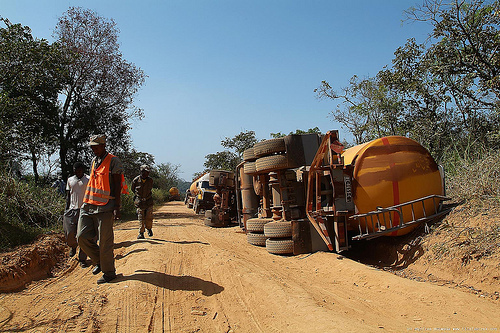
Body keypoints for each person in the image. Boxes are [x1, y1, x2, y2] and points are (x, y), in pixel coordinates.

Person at [77, 134, 128, 284]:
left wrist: (117, 207)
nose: (94, 149)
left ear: (104, 145)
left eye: (96, 146)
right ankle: (99, 261)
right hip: (88, 204)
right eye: (92, 147)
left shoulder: (113, 161)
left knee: (105, 241)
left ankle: (109, 272)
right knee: (81, 237)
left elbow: (117, 185)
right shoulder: (94, 160)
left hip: (106, 206)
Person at [64, 162, 90, 267]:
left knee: (82, 235)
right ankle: (73, 246)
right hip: (71, 210)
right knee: (69, 233)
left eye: (79, 169)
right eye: (75, 170)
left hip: (84, 209)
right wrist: (66, 209)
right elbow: (68, 195)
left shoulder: (88, 179)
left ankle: (82, 259)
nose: (77, 171)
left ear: (82, 170)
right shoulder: (70, 180)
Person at [131, 165, 154, 239]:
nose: (145, 174)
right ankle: (141, 233)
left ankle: (149, 229)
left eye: (147, 172)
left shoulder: (150, 180)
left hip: (149, 201)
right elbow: (133, 189)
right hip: (139, 202)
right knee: (141, 218)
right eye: (144, 172)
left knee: (149, 217)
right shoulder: (136, 180)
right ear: (141, 172)